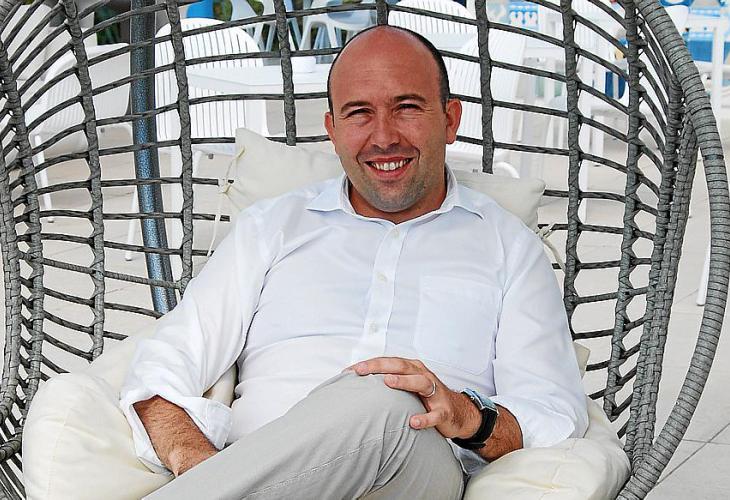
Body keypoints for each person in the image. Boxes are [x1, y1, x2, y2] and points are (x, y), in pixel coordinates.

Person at [120, 25, 588, 499]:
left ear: (450, 120)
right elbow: (165, 363)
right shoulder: (272, 228)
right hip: (267, 472)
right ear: (333, 129)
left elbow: (553, 411)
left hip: (414, 474)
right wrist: (198, 465)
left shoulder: (509, 247)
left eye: (407, 107)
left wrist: (467, 413)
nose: (383, 137)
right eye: (359, 113)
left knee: (387, 391)